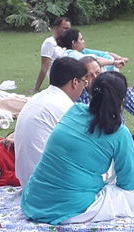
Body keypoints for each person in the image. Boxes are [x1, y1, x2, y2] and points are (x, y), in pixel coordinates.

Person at [21, 72, 134, 225]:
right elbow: (129, 183)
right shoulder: (119, 132)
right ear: (122, 100)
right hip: (71, 207)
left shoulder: (74, 110)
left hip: (34, 200)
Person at [13, 56, 89, 186]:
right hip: (49, 186)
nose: (84, 88)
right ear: (75, 82)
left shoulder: (39, 98)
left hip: (27, 181)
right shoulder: (64, 107)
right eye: (84, 83)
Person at [34, 16, 71, 92]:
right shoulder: (49, 43)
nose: (67, 31)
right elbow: (44, 67)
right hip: (58, 80)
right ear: (56, 27)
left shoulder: (66, 43)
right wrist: (36, 89)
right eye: (65, 28)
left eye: (69, 29)